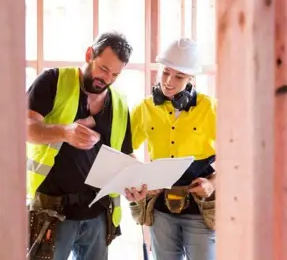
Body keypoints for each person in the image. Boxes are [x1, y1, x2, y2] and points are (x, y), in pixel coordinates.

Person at [26, 31, 147, 260]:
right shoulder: (53, 81)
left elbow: (126, 154)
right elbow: (24, 127)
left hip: (98, 213)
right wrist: (64, 132)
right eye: (103, 69)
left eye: (115, 74)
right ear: (89, 54)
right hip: (52, 211)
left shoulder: (119, 103)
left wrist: (134, 181)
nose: (107, 79)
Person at [129, 38, 217, 260]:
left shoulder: (210, 108)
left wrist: (212, 182)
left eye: (179, 76)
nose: (168, 81)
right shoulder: (144, 108)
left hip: (200, 208)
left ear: (191, 79)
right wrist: (137, 178)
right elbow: (124, 150)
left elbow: (239, 158)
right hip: (160, 207)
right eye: (165, 72)